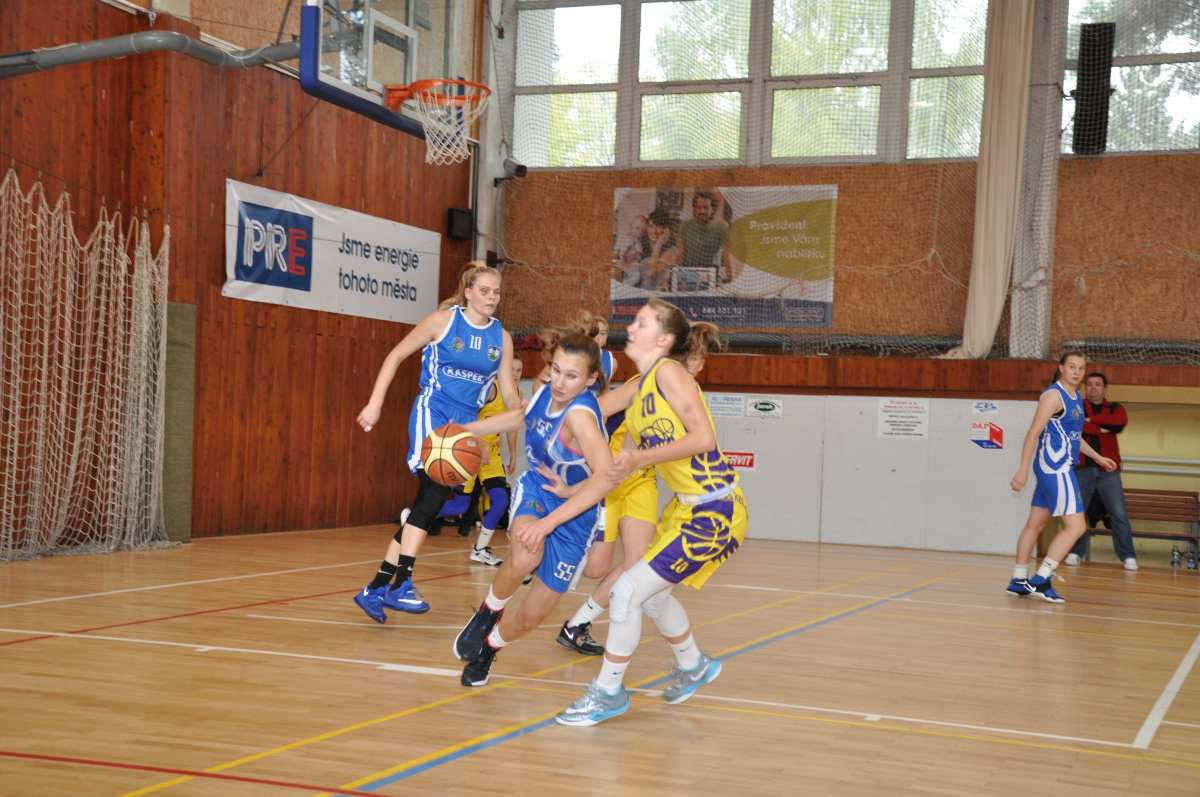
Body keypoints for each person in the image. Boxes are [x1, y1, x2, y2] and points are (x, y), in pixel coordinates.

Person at [556, 299, 747, 727]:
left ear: (663, 340)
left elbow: (703, 439)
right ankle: (693, 665)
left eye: (641, 323)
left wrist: (640, 457)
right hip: (686, 510)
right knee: (653, 596)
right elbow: (588, 413)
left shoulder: (670, 374)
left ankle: (607, 692)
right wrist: (553, 416)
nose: (631, 328)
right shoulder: (640, 385)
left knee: (627, 591)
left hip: (716, 509)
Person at [353, 263, 521, 622]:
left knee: (428, 505)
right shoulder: (443, 322)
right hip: (433, 412)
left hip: (467, 426)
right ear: (469, 292)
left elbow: (508, 391)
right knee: (433, 493)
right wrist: (375, 403)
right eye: (485, 291)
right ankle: (401, 584)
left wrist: (522, 411)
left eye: (497, 292)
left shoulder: (501, 338)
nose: (492, 297)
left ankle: (376, 587)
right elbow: (396, 355)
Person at [452, 329, 615, 687]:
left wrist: (556, 513)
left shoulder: (580, 417)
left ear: (590, 379)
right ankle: (488, 611)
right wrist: (465, 429)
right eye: (556, 370)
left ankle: (490, 648)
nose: (559, 382)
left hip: (577, 511)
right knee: (527, 549)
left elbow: (606, 478)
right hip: (540, 488)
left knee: (531, 617)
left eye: (570, 376)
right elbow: (520, 418)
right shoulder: (545, 391)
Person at [556, 320, 723, 657]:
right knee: (596, 568)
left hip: (642, 479)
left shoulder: (688, 394)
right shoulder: (644, 384)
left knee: (636, 566)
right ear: (679, 357)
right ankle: (556, 545)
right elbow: (596, 412)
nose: (701, 365)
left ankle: (577, 624)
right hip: (611, 477)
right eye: (697, 358)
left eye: (704, 359)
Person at [1006, 352, 1117, 604]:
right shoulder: (1053, 396)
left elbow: (1074, 438)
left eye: (1081, 368)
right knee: (1077, 526)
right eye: (1072, 366)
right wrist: (1022, 469)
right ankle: (1041, 579)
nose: (1077, 372)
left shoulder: (1076, 397)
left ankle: (1019, 579)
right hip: (1055, 468)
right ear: (1061, 368)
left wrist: (1098, 457)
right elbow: (1033, 432)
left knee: (1035, 524)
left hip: (1054, 468)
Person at [1064, 371, 1137, 570]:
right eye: (1089, 384)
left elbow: (1118, 423)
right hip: (1082, 469)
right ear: (1084, 388)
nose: (1093, 388)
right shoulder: (1076, 406)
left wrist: (1090, 422)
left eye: (1098, 384)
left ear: (1105, 389)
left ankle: (1128, 556)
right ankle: (1075, 553)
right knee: (1079, 514)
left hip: (1108, 470)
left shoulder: (1115, 408)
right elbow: (1075, 427)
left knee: (1118, 513)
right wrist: (1100, 428)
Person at [457, 358, 524, 566]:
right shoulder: (491, 389)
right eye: (512, 369)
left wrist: (513, 453)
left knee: (501, 500)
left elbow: (511, 427)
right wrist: (478, 444)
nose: (515, 374)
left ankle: (480, 549)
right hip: (471, 450)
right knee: (460, 504)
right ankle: (415, 516)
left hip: (492, 455)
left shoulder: (517, 395)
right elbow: (467, 418)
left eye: (519, 370)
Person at [677, 190, 733, 285]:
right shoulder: (685, 226)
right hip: (688, 276)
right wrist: (671, 278)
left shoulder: (722, 227)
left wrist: (731, 278)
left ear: (713, 209)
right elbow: (680, 254)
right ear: (694, 209)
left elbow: (727, 255)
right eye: (699, 208)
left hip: (711, 277)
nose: (702, 211)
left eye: (706, 207)